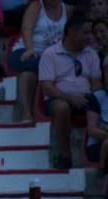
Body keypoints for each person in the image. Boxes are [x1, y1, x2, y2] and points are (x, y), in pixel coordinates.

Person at [39, 16, 101, 169]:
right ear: (72, 33)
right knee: (62, 107)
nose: (90, 37)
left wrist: (93, 100)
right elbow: (47, 87)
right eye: (86, 33)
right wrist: (71, 98)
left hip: (86, 98)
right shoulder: (50, 54)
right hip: (58, 98)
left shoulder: (91, 54)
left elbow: (96, 83)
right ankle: (66, 156)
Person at [10, 0, 67, 123]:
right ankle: (26, 113)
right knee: (29, 71)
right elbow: (26, 28)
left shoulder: (67, 9)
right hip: (27, 50)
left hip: (52, 56)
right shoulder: (36, 6)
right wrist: (30, 48)